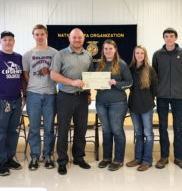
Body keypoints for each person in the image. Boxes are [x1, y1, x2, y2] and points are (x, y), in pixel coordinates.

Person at [50, 28, 93, 175]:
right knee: (63, 130)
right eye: (74, 37)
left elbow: (89, 77)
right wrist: (72, 82)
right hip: (65, 97)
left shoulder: (88, 55)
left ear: (83, 38)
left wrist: (88, 93)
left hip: (82, 98)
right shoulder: (60, 54)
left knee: (81, 129)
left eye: (79, 38)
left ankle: (78, 158)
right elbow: (54, 75)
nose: (77, 40)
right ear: (69, 38)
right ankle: (62, 161)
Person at [0, 31, 24, 176]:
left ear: (14, 41)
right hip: (0, 102)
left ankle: (9, 159)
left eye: (10, 40)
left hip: (16, 101)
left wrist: (23, 97)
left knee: (12, 132)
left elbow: (23, 78)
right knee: (0, 133)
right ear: (0, 42)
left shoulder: (19, 57)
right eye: (5, 40)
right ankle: (1, 162)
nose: (8, 42)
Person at [152, 28, 182, 170]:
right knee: (162, 127)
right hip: (161, 95)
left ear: (176, 37)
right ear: (163, 38)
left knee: (177, 128)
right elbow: (154, 73)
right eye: (166, 36)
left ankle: (179, 158)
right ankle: (164, 157)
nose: (169, 39)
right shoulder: (157, 55)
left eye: (171, 36)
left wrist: (178, 85)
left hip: (178, 95)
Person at [22, 24, 57, 170]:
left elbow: (57, 73)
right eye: (37, 34)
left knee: (49, 128)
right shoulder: (27, 55)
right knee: (34, 128)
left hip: (50, 95)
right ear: (33, 36)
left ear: (46, 35)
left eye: (42, 34)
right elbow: (26, 75)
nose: (40, 37)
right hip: (33, 95)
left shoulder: (55, 53)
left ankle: (48, 156)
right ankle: (35, 156)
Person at [96, 39, 132, 171]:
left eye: (110, 48)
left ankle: (118, 160)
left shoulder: (122, 64)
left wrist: (115, 83)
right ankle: (106, 158)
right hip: (101, 102)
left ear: (115, 50)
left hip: (117, 103)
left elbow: (129, 82)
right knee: (106, 130)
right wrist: (97, 87)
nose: (108, 51)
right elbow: (95, 82)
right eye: (105, 49)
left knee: (117, 130)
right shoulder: (100, 64)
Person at [127, 45, 157, 171]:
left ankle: (147, 160)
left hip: (146, 106)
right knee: (138, 133)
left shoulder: (149, 70)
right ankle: (138, 158)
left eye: (141, 53)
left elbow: (154, 89)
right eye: (137, 53)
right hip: (134, 105)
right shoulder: (130, 69)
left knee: (148, 134)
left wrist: (147, 99)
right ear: (134, 55)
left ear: (145, 55)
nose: (139, 55)